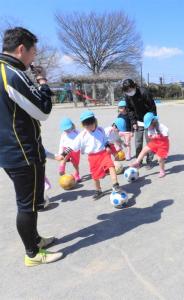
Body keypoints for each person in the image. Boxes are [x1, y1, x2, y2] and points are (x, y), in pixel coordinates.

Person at [0, 27, 63, 266]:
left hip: (10, 150)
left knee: (33, 202)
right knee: (27, 205)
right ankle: (32, 254)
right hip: (21, 151)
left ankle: (35, 239)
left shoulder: (9, 70)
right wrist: (43, 82)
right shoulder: (11, 74)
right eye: (33, 51)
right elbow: (42, 110)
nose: (34, 57)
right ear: (20, 49)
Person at [64, 110, 126, 200]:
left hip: (103, 154)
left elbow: (105, 140)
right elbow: (72, 146)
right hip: (93, 157)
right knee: (95, 176)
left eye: (91, 123)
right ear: (83, 125)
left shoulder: (101, 130)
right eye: (86, 125)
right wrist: (63, 154)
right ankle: (98, 190)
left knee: (111, 166)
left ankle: (115, 185)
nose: (89, 126)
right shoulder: (82, 135)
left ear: (95, 121)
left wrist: (107, 146)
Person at [122, 79, 157, 168]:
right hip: (138, 121)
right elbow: (130, 110)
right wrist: (133, 122)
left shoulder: (144, 92)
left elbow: (152, 107)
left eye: (130, 89)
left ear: (134, 86)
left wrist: (153, 120)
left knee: (149, 142)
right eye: (127, 91)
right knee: (138, 142)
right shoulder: (127, 96)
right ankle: (139, 160)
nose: (129, 92)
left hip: (148, 120)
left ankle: (149, 161)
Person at [131, 112, 169, 178]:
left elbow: (166, 134)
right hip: (154, 142)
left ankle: (162, 170)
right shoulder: (149, 128)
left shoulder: (161, 126)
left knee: (160, 159)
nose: (148, 126)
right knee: (144, 150)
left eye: (149, 125)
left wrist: (158, 136)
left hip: (163, 144)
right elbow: (150, 136)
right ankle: (137, 162)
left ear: (153, 122)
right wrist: (153, 137)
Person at [58, 117, 81, 181]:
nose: (66, 131)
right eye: (65, 129)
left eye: (68, 129)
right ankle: (61, 169)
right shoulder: (63, 134)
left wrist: (82, 149)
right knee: (63, 159)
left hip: (75, 150)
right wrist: (60, 152)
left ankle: (77, 174)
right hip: (66, 149)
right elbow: (61, 144)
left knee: (75, 163)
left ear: (72, 126)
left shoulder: (77, 133)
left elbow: (81, 141)